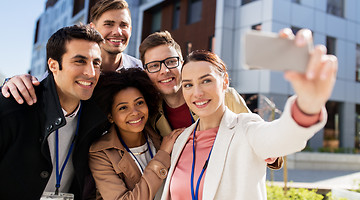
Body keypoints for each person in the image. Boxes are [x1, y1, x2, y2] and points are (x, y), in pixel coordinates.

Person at [161, 29, 338, 199]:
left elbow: (283, 136)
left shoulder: (245, 129)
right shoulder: (181, 140)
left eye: (206, 81)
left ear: (224, 82)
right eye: (188, 85)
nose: (197, 93)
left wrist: (307, 106)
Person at [139, 30, 281, 169]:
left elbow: (262, 140)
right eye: (154, 66)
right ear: (146, 72)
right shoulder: (149, 113)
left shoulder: (224, 96)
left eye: (170, 62)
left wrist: (269, 153)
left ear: (182, 64)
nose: (164, 70)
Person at [0, 25, 110, 199]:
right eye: (79, 61)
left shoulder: (98, 119)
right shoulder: (12, 106)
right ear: (53, 65)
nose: (91, 72)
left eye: (96, 63)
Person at [1, 0, 141, 105]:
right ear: (92, 28)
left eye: (124, 25)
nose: (117, 31)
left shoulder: (140, 70)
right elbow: (41, 90)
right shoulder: (67, 69)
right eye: (109, 24)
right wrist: (12, 82)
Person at [89, 69, 183, 200]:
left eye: (139, 103)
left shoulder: (161, 136)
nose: (135, 112)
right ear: (110, 116)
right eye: (123, 107)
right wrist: (162, 155)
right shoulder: (101, 153)